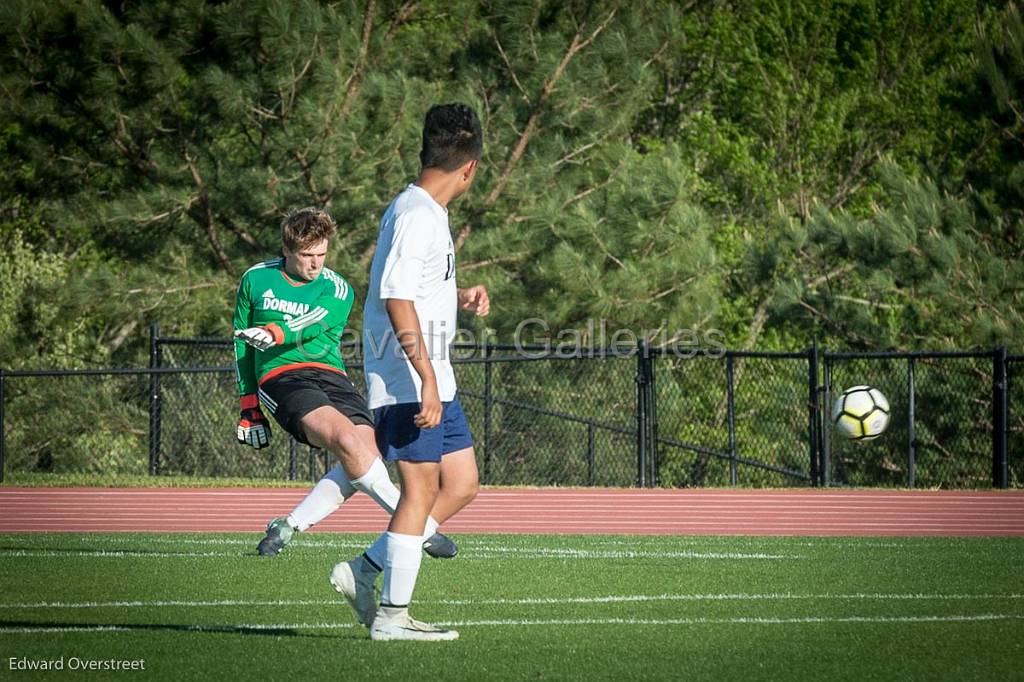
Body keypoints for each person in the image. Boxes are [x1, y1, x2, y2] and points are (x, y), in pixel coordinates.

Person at [330, 103, 488, 642]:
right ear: (469, 168)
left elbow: (416, 287)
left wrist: (458, 294)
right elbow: (395, 298)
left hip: (432, 375)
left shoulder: (426, 213)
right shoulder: (417, 214)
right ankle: (392, 619)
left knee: (461, 482)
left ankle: (364, 571)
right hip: (407, 378)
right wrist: (423, 376)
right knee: (419, 491)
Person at [232, 207, 456, 559]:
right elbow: (241, 344)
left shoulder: (337, 288)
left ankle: (287, 526)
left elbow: (314, 321)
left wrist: (275, 331)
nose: (315, 263)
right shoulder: (255, 279)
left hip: (331, 376)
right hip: (283, 378)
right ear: (287, 250)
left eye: (321, 254)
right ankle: (422, 530)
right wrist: (249, 404)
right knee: (348, 441)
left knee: (365, 456)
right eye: (306, 255)